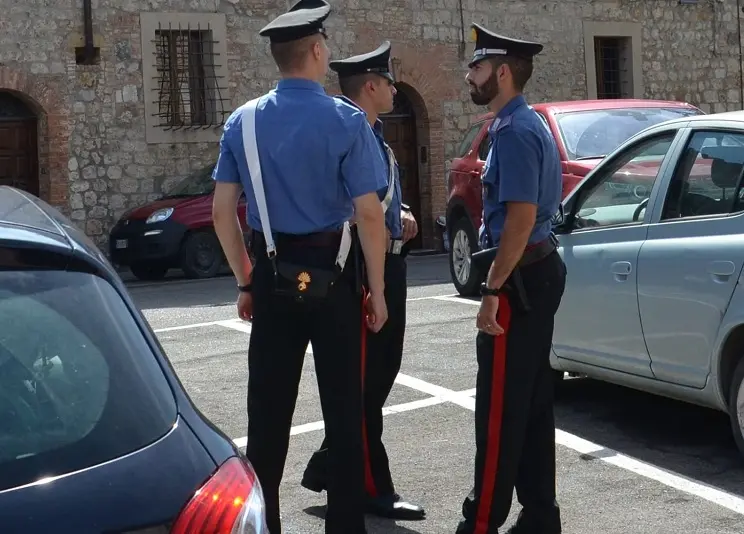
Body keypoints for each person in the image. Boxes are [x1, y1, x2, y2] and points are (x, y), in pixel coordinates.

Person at [210, 0, 390, 532]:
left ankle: (264, 526)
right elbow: (370, 215)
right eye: (326, 45)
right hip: (334, 278)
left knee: (267, 420)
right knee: (343, 412)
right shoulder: (346, 120)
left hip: (271, 273)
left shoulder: (242, 122)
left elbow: (223, 212)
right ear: (315, 50)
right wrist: (377, 292)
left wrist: (246, 279)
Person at [299, 40, 426, 521]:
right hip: (364, 267)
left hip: (387, 260)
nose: (395, 88)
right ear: (370, 86)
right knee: (368, 382)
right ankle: (368, 484)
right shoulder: (353, 134)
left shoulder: (373, 135)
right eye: (389, 81)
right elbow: (350, 208)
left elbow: (376, 200)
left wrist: (403, 213)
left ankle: (333, 465)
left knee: (376, 377)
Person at [454, 23, 567, 534]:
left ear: (501, 72)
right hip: (534, 273)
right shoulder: (515, 125)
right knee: (532, 404)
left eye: (476, 68)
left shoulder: (517, 131)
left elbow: (519, 219)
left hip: (519, 281)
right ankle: (540, 516)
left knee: (499, 410)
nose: (468, 76)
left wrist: (492, 291)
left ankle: (483, 521)